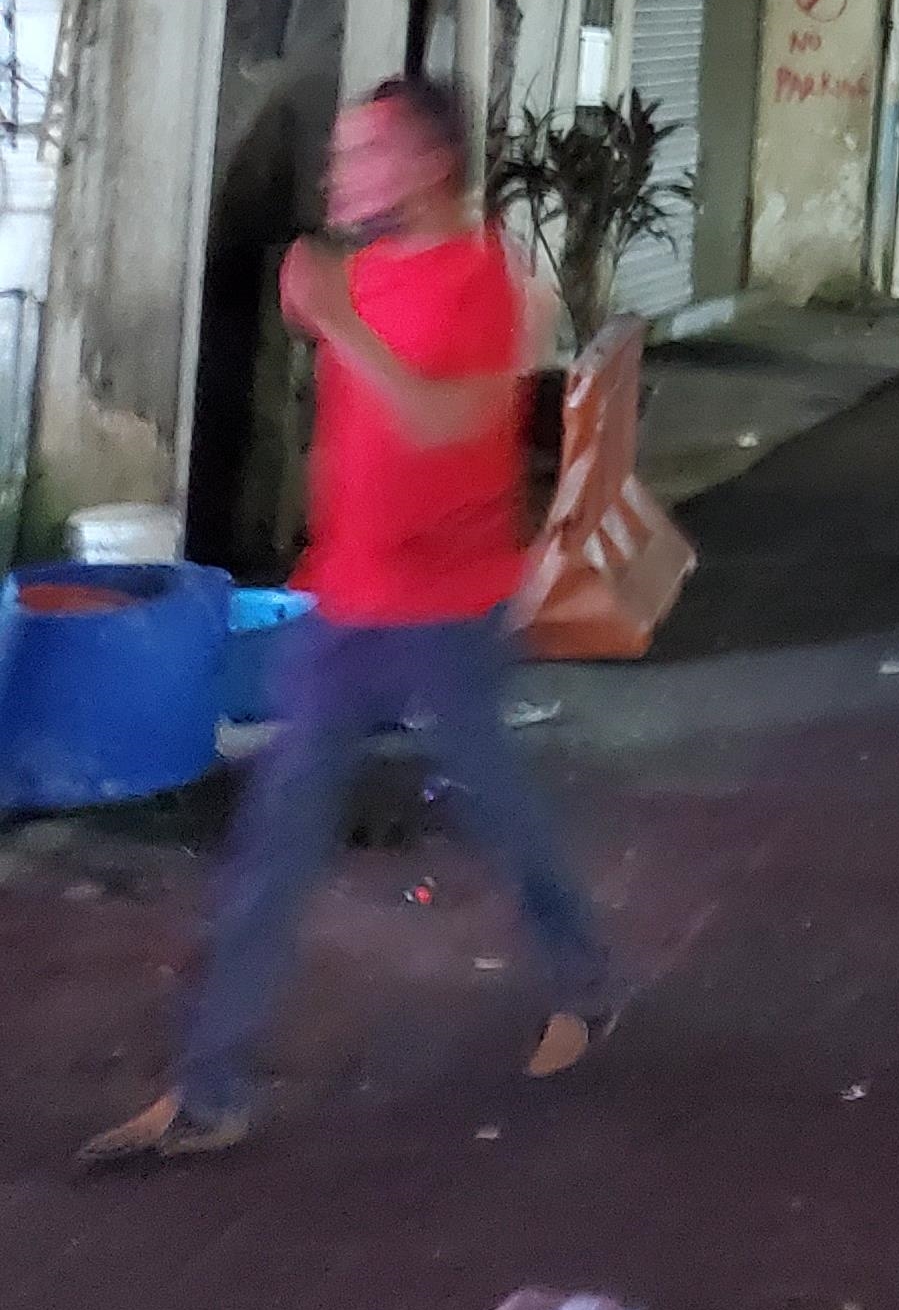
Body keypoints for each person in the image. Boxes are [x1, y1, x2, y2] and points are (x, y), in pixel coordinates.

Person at [81, 79, 614, 1167]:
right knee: (277, 841)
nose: (340, 175)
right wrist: (324, 307)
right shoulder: (365, 271)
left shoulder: (485, 281)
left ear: (427, 165)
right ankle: (211, 1089)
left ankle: (586, 977)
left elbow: (444, 419)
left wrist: (337, 320)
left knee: (499, 809)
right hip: (349, 601)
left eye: (364, 154)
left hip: (449, 609)